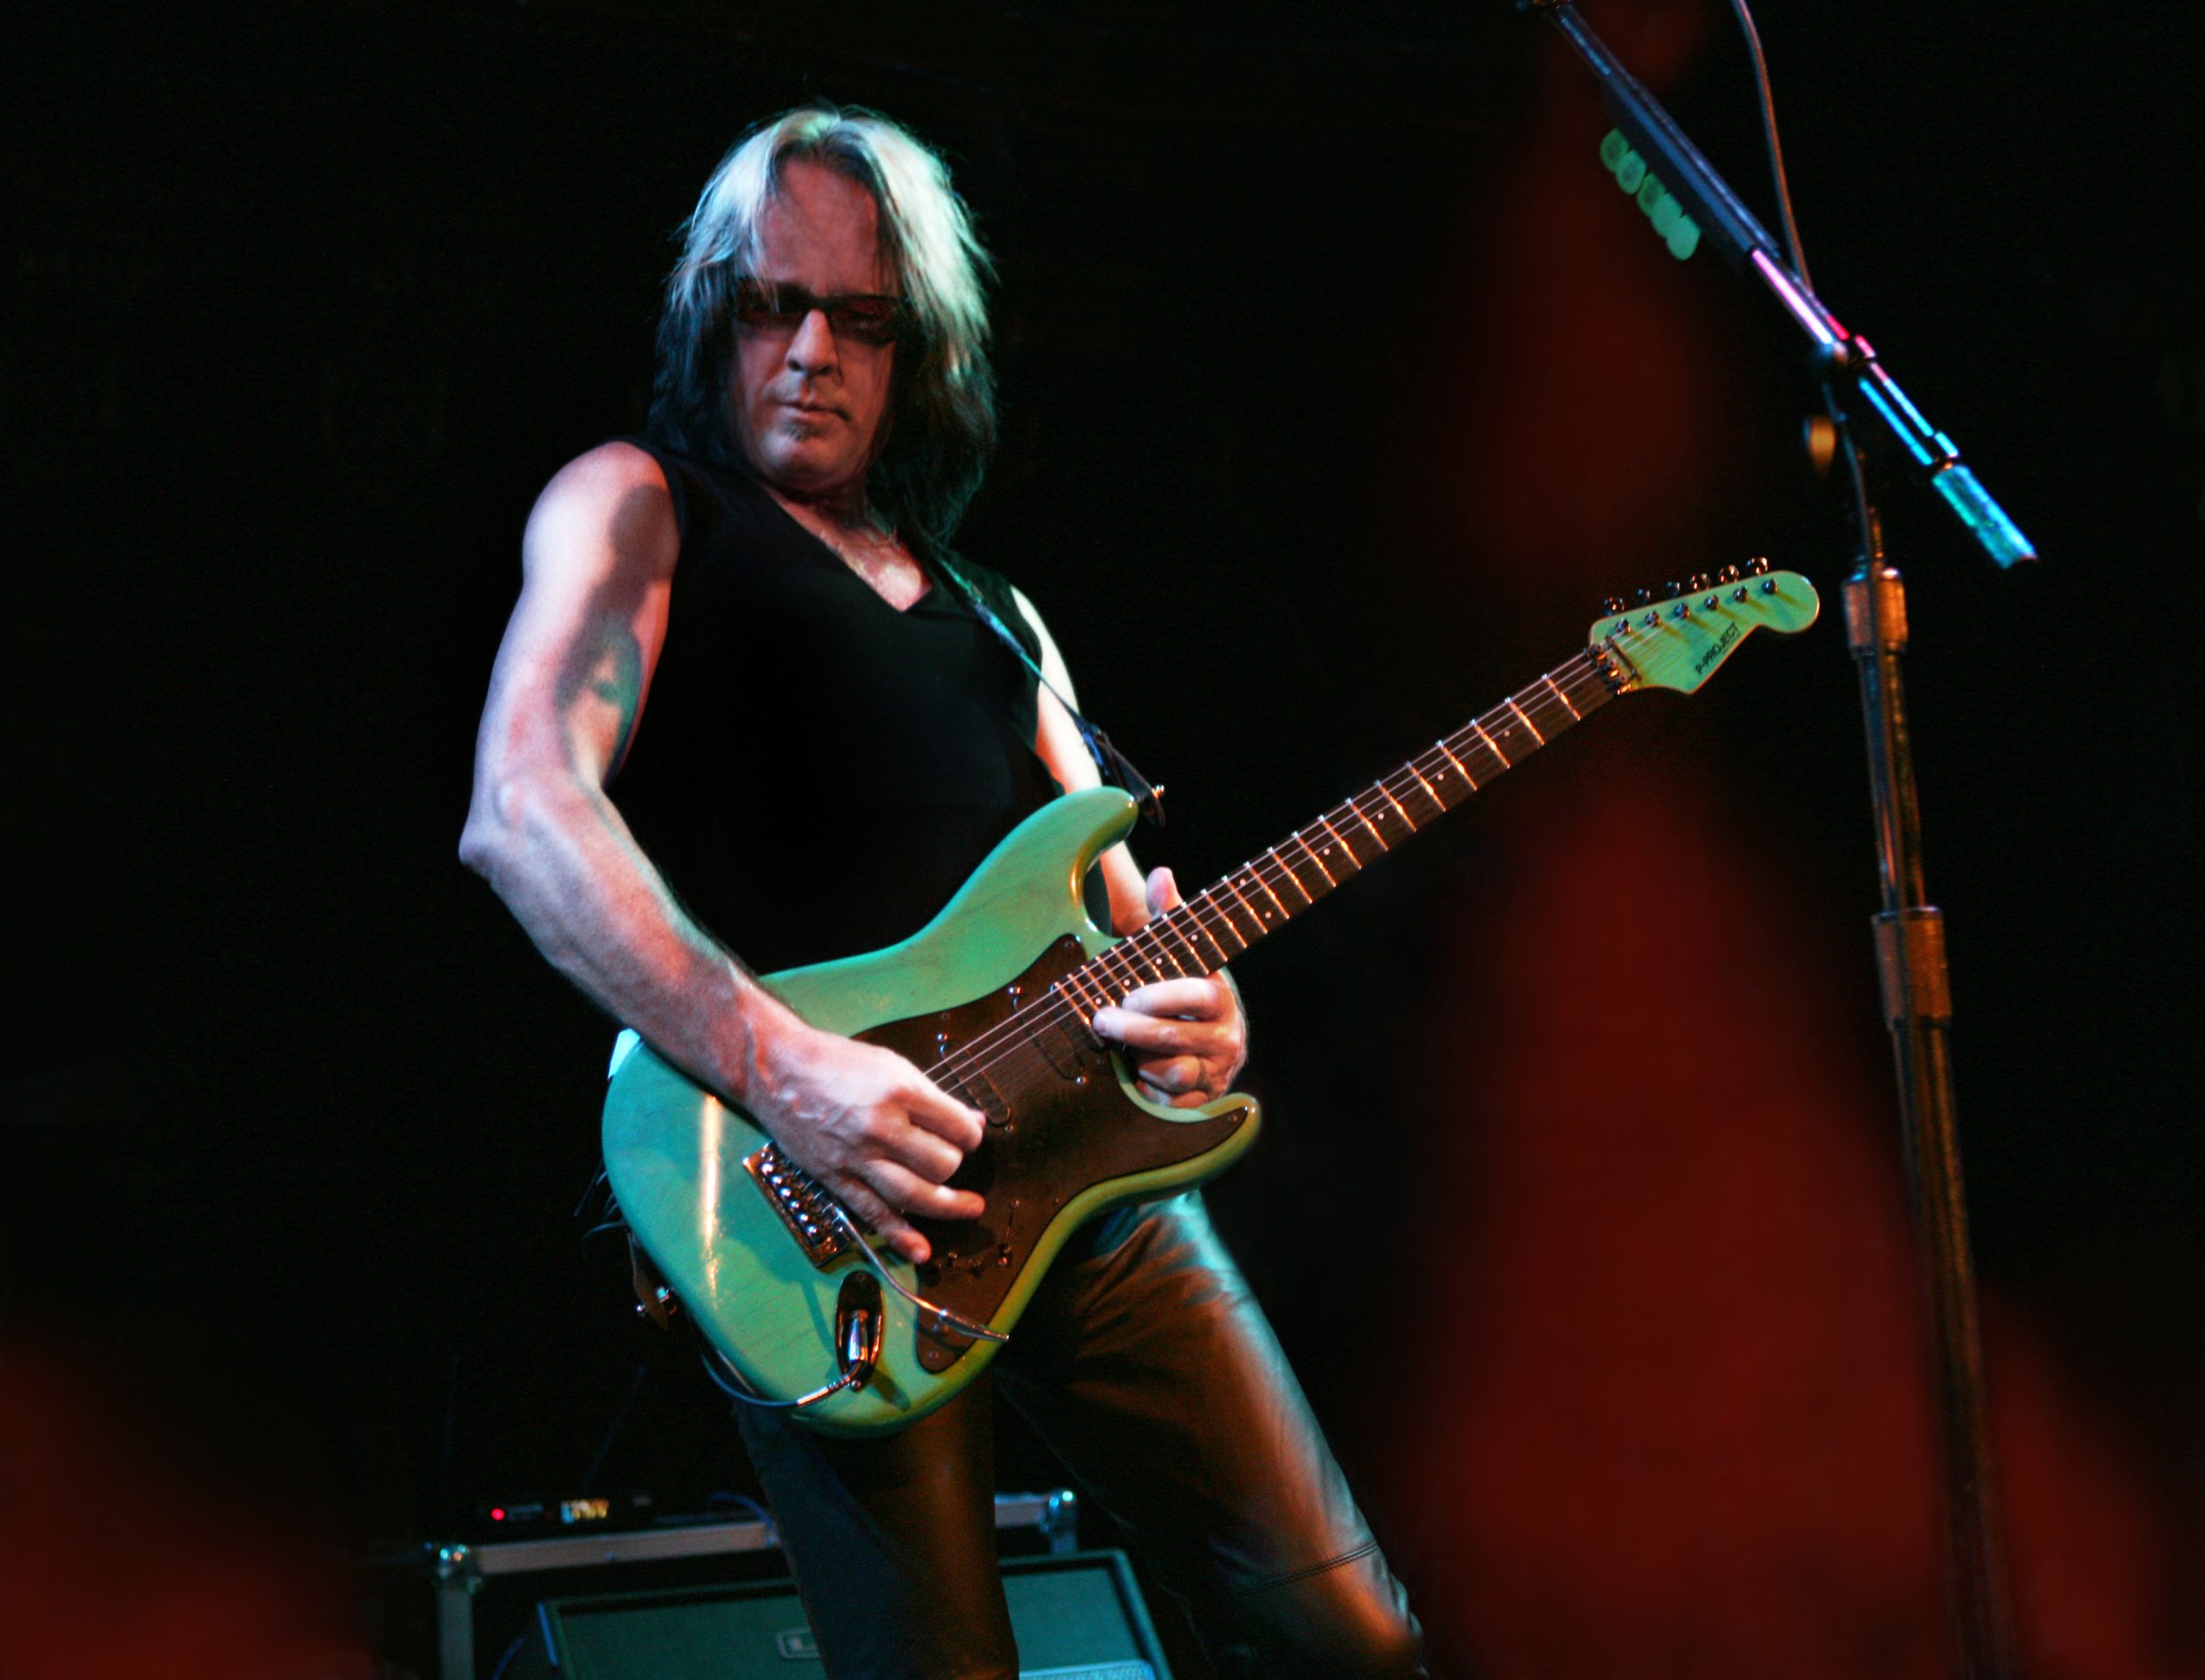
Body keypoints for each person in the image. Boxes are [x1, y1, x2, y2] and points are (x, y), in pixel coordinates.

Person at [460, 105, 1427, 1679]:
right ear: (714, 312)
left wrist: (1203, 1017)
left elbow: (1128, 921)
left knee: (1350, 1638)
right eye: (771, 304)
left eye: (861, 318)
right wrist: (785, 1067)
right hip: (826, 1205)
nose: (809, 352)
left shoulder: (1000, 618)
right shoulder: (640, 506)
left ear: (921, 350)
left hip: (1094, 1191)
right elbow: (521, 808)